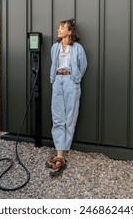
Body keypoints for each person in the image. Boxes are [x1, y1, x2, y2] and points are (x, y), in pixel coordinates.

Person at [46, 18, 87, 177]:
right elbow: (53, 63)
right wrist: (55, 79)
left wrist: (75, 79)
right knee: (57, 117)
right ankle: (60, 154)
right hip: (57, 81)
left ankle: (61, 154)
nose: (59, 30)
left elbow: (83, 65)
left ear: (69, 31)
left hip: (71, 82)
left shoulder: (78, 48)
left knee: (70, 117)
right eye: (59, 28)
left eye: (62, 28)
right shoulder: (55, 47)